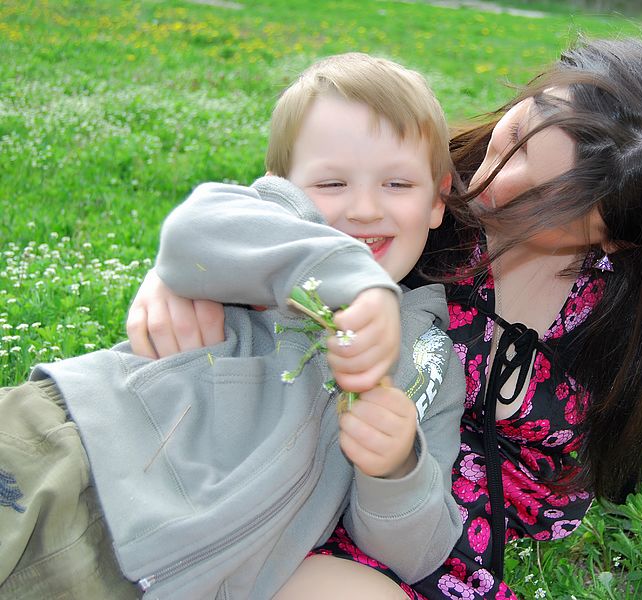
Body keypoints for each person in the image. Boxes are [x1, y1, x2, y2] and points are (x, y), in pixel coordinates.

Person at [128, 38, 642, 599]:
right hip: (341, 479)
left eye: (545, 198)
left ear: (622, 239)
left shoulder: (630, 312)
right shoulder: (415, 201)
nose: (490, 184)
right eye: (517, 137)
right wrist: (175, 278)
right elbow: (277, 221)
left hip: (434, 518)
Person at [0, 53, 467, 600]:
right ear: (279, 185)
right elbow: (193, 233)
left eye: (396, 183)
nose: (364, 208)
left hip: (173, 579)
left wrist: (395, 470)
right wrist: (354, 282)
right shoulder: (258, 238)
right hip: (70, 456)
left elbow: (417, 553)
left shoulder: (431, 361)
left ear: (437, 200)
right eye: (333, 182)